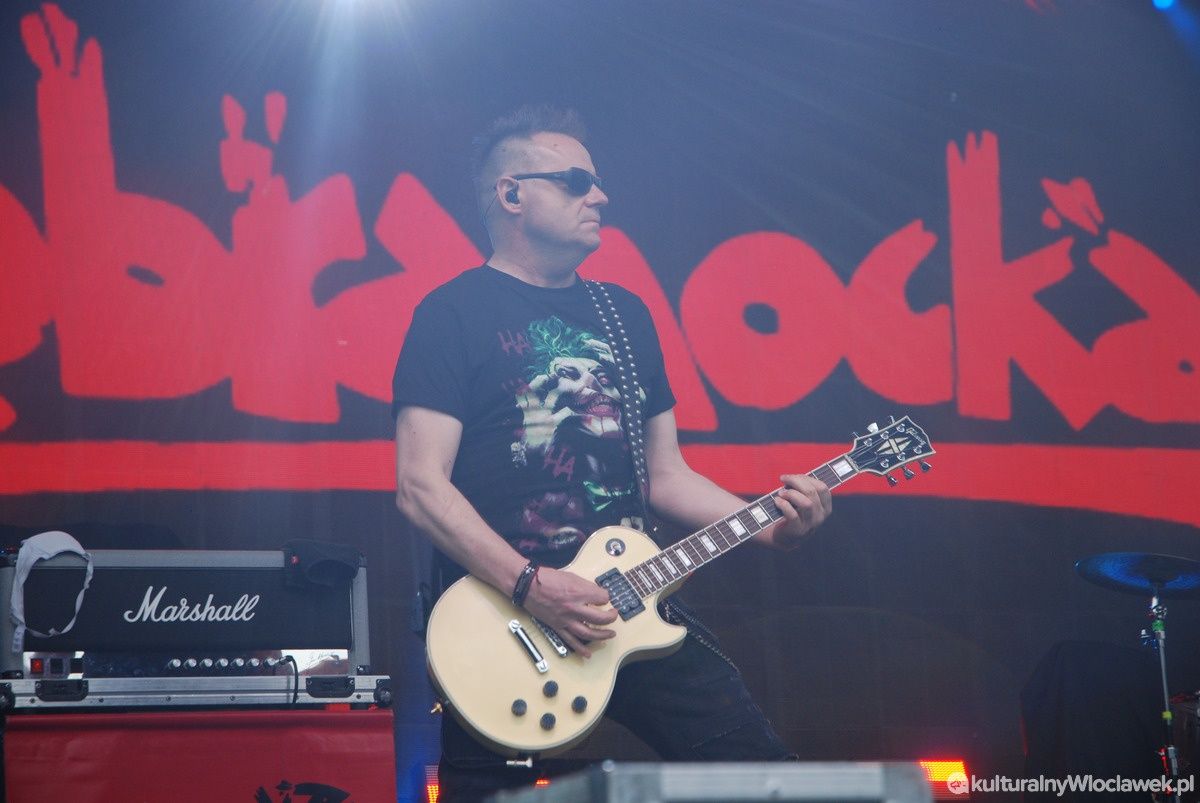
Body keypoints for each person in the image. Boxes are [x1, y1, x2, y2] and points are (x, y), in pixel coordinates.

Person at [392, 105, 833, 801]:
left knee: (760, 777)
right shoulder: (451, 313)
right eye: (576, 181)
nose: (599, 196)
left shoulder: (624, 315)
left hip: (631, 601)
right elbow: (420, 486)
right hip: (504, 623)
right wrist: (531, 584)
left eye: (597, 183)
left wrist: (772, 526)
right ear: (512, 194)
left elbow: (667, 474)